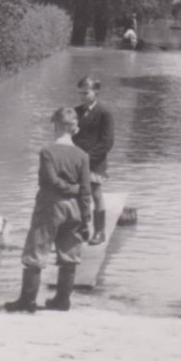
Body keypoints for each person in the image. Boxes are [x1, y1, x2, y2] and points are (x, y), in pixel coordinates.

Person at [5, 107, 92, 313]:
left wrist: (67, 188)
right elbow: (86, 191)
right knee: (69, 255)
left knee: (36, 252)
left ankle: (27, 302)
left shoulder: (47, 152)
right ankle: (63, 301)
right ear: (73, 128)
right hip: (75, 207)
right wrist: (86, 218)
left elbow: (51, 181)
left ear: (57, 126)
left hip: (50, 205)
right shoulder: (82, 155)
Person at [72, 76, 114, 246]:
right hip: (77, 160)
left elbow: (107, 141)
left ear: (96, 92)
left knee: (96, 194)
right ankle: (83, 229)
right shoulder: (75, 112)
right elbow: (71, 135)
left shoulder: (104, 113)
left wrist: (88, 158)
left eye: (86, 93)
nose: (83, 96)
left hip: (95, 161)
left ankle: (99, 231)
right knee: (78, 194)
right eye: (80, 93)